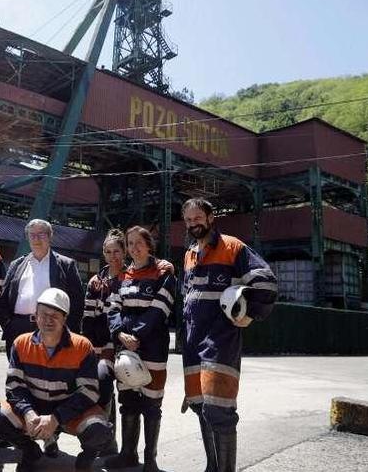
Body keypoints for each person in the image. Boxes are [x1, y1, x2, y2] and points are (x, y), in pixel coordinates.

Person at [180, 198, 277, 472]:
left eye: (197, 217)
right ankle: (212, 466)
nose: (193, 224)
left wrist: (251, 313)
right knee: (200, 407)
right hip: (192, 343)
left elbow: (265, 280)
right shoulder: (188, 254)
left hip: (220, 342)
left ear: (211, 218)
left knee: (218, 410)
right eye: (188, 220)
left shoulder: (232, 247)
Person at [0, 288, 112, 472]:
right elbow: (14, 386)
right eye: (43, 314)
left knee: (100, 431)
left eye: (55, 315)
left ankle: (85, 461)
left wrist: (56, 418)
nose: (48, 320)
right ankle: (30, 451)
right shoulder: (21, 343)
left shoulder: (82, 346)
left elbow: (88, 392)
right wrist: (29, 413)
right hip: (34, 406)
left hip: (69, 410)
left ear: (65, 318)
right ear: (35, 316)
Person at [105, 226, 176, 472]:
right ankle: (127, 455)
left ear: (149, 245)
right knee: (128, 400)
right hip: (125, 348)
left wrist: (135, 335)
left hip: (153, 347)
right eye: (130, 243)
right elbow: (113, 307)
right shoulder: (123, 276)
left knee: (152, 404)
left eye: (138, 243)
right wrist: (119, 334)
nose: (134, 248)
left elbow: (161, 307)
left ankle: (151, 460)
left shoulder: (163, 271)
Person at [0, 219, 85, 356]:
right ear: (27, 238)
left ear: (50, 236)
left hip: (51, 328)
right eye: (32, 235)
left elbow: (77, 303)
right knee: (17, 373)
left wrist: (66, 331)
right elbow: (4, 298)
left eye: (41, 234)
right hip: (18, 328)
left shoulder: (65, 265)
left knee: (47, 373)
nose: (36, 239)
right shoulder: (17, 264)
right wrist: (9, 325)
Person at [82, 228, 127, 457]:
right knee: (104, 387)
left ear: (124, 252)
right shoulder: (95, 281)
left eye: (117, 251)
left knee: (127, 396)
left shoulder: (130, 278)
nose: (113, 256)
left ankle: (120, 445)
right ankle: (107, 441)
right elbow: (88, 317)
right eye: (108, 252)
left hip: (123, 344)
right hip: (100, 346)